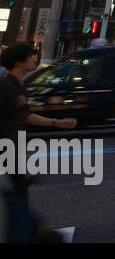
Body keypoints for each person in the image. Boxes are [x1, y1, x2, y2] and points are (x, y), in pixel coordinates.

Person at [0, 43, 77, 215]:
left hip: (12, 150)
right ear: (19, 62)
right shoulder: (5, 86)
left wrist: (56, 122)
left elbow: (26, 115)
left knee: (17, 198)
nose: (35, 58)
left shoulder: (19, 86)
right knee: (16, 201)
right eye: (31, 55)